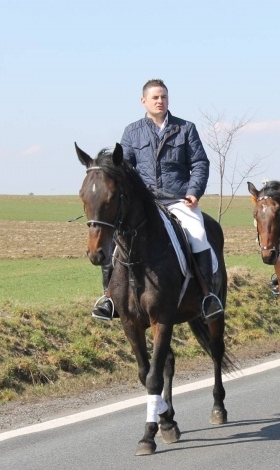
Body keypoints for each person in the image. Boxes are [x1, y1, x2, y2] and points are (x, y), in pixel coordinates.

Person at [91, 79, 223, 322]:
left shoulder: (186, 128)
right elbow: (124, 167)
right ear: (144, 101)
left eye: (163, 97)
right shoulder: (132, 131)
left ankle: (207, 297)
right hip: (145, 204)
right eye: (155, 98)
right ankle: (109, 298)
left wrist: (194, 191)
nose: (160, 101)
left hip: (179, 200)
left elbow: (200, 163)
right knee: (116, 242)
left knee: (198, 234)